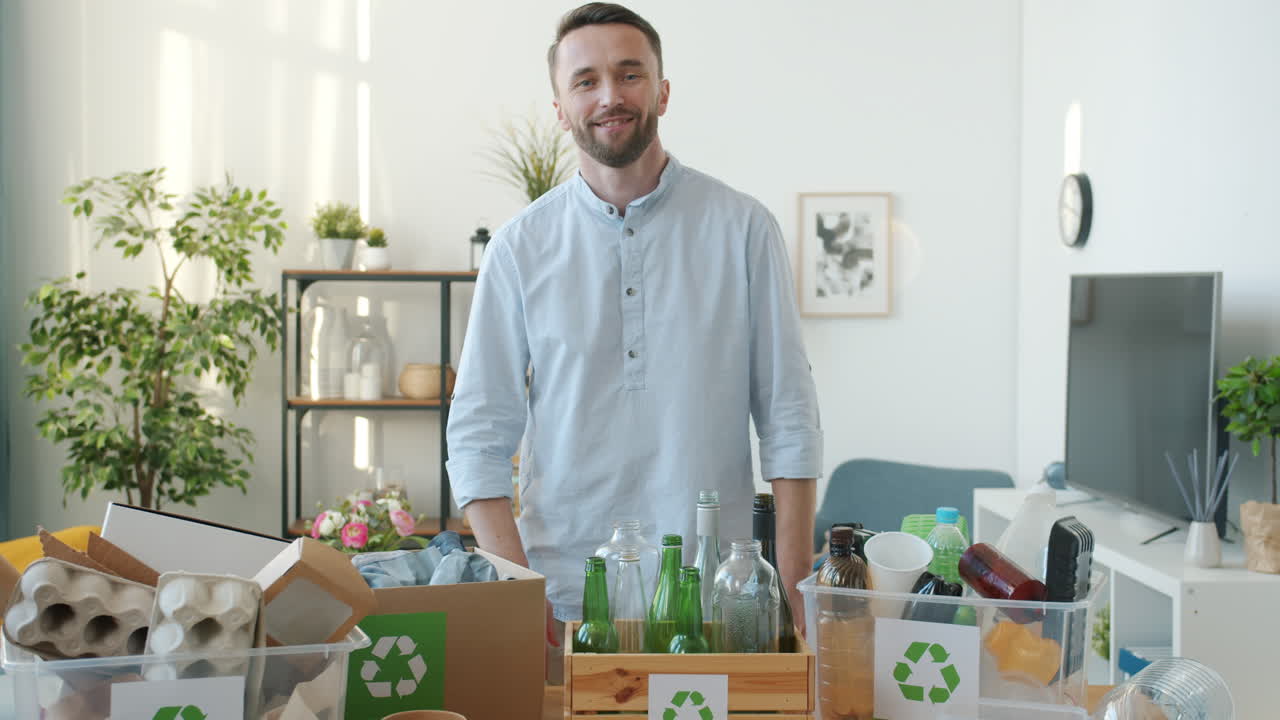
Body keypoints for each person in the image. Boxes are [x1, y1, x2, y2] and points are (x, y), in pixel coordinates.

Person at [446, 2, 823, 653]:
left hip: (718, 605)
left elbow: (789, 417)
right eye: (585, 81)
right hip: (568, 601)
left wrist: (793, 596)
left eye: (629, 74)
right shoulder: (518, 249)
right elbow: (478, 436)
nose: (610, 96)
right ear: (560, 108)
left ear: (663, 91)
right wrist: (517, 594)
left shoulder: (743, 229)